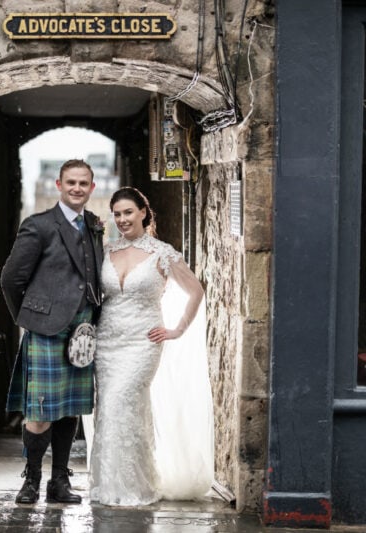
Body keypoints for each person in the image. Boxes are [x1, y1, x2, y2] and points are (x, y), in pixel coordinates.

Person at [88, 186, 213, 506]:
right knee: (110, 408)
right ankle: (109, 484)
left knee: (122, 400)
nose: (122, 219)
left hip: (143, 343)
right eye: (117, 214)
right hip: (108, 343)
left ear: (144, 212)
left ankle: (134, 486)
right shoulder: (107, 251)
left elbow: (196, 291)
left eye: (128, 212)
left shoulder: (163, 253)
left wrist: (177, 330)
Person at [1, 159, 104, 505]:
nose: (77, 188)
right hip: (46, 330)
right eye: (71, 182)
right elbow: (11, 279)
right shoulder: (39, 225)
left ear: (92, 188)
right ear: (59, 185)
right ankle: (31, 480)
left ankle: (59, 482)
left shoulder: (93, 225)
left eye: (84, 183)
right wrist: (31, 318)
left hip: (83, 330)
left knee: (70, 407)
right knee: (41, 411)